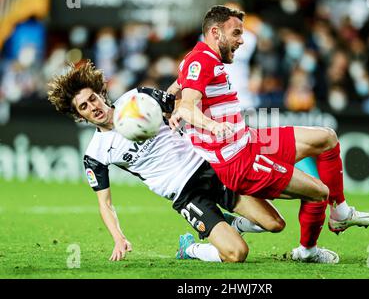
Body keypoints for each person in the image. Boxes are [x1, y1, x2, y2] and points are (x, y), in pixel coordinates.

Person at [169, 6, 369, 264]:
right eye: (236, 33)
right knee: (318, 191)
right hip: (239, 162)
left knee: (326, 138)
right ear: (215, 32)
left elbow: (177, 93)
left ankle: (341, 212)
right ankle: (308, 251)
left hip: (249, 140)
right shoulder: (200, 60)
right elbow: (190, 105)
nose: (241, 40)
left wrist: (171, 106)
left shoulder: (202, 59)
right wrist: (207, 123)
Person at [47, 60, 286, 263]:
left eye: (93, 98)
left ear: (101, 93)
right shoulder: (95, 154)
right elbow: (105, 203)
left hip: (209, 168)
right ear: (80, 115)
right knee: (237, 254)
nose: (93, 107)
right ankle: (190, 249)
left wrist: (178, 109)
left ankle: (233, 224)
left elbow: (182, 105)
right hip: (185, 195)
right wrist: (118, 237)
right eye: (84, 107)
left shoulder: (137, 98)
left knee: (275, 223)